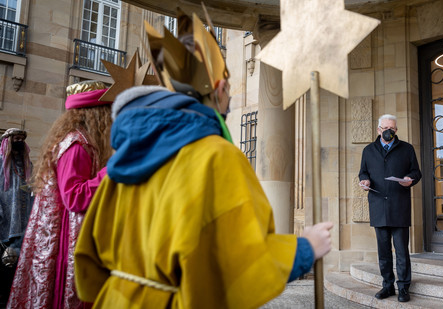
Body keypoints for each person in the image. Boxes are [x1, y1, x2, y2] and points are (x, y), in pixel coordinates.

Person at [74, 8, 333, 309]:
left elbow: (86, 261)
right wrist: (306, 248)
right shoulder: (216, 155)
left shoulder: (124, 157)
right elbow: (242, 263)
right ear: (220, 89)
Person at [8, 81, 113, 309]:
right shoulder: (76, 144)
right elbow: (74, 196)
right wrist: (112, 170)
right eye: (107, 112)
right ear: (97, 114)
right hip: (70, 240)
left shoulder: (85, 142)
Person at [358, 114, 422, 303]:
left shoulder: (407, 149)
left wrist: (409, 180)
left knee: (401, 250)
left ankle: (403, 288)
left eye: (392, 129)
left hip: (399, 205)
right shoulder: (368, 150)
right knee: (383, 251)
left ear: (396, 130)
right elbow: (363, 171)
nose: (389, 131)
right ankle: (387, 286)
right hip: (378, 205)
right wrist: (364, 180)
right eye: (385, 128)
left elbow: (416, 172)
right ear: (378, 129)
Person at [0, 128, 34, 306]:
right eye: (16, 138)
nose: (19, 141)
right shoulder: (0, 163)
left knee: (15, 272)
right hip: (4, 225)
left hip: (22, 227)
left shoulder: (28, 167)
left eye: (22, 138)